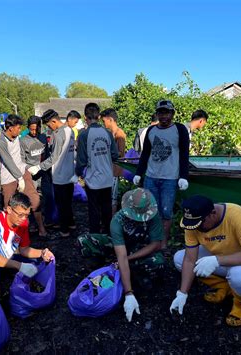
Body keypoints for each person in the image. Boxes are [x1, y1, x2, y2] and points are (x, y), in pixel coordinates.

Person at [170, 195, 241, 327]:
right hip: (223, 259)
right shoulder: (193, 222)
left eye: (200, 224)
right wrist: (182, 293)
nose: (196, 228)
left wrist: (217, 260)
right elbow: (190, 259)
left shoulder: (236, 215)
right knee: (180, 259)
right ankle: (224, 287)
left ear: (212, 214)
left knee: (239, 276)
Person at [78, 188, 165, 322]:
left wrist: (128, 259)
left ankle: (138, 275)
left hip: (139, 250)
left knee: (158, 261)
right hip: (119, 246)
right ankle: (100, 267)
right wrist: (128, 293)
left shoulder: (154, 217)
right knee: (84, 241)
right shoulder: (118, 220)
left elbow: (155, 245)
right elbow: (121, 253)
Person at [133, 100, 190, 249]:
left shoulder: (180, 129)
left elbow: (184, 154)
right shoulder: (151, 131)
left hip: (170, 179)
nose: (163, 116)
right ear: (157, 114)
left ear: (172, 113)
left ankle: (163, 242)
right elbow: (145, 154)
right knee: (151, 210)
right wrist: (139, 173)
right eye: (161, 113)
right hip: (151, 177)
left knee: (166, 212)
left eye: (167, 112)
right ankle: (154, 240)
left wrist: (184, 176)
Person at [0, 192, 55, 276]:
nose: (23, 219)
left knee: (35, 263)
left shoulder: (23, 224)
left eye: (26, 215)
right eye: (20, 215)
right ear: (9, 209)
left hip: (4, 257)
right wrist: (18, 266)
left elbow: (24, 250)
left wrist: (42, 253)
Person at [28, 109, 76, 237]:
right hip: (70, 173)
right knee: (68, 202)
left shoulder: (58, 134)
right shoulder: (70, 131)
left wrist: (39, 167)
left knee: (61, 204)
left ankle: (64, 230)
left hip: (60, 174)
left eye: (49, 125)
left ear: (54, 121)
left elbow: (54, 157)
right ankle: (71, 224)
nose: (49, 128)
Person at [0, 114, 44, 234]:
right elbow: (8, 161)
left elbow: (19, 159)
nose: (20, 130)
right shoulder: (1, 142)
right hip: (9, 178)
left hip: (22, 173)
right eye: (18, 128)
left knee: (35, 199)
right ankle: (7, 233)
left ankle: (41, 228)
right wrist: (18, 177)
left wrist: (28, 168)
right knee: (9, 206)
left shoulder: (16, 138)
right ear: (10, 128)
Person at [76, 103, 119, 234]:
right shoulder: (107, 132)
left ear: (85, 117)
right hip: (107, 179)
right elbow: (115, 155)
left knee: (94, 211)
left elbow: (81, 160)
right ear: (99, 116)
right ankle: (108, 237)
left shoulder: (84, 135)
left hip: (93, 180)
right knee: (106, 210)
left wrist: (78, 173)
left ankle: (95, 239)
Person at [20, 115, 50, 237]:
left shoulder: (43, 138)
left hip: (43, 171)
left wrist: (43, 167)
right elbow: (21, 160)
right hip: (31, 173)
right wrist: (28, 168)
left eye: (35, 129)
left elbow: (48, 155)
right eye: (31, 129)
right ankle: (33, 223)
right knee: (32, 199)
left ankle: (45, 219)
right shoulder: (23, 141)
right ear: (28, 128)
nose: (33, 132)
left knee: (47, 195)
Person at [101, 108, 127, 216]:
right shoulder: (110, 133)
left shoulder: (119, 134)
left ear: (110, 119)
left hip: (114, 171)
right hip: (108, 170)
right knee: (107, 198)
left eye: (104, 121)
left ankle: (112, 224)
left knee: (112, 199)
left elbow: (121, 153)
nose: (103, 123)